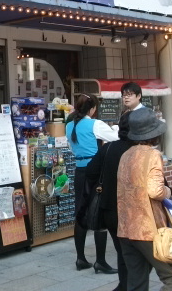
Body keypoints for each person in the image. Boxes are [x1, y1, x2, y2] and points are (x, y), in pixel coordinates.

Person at [117, 107, 172, 291]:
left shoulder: (126, 155)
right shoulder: (153, 155)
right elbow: (155, 191)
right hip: (148, 229)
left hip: (125, 228)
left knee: (136, 283)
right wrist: (168, 192)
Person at [85, 83, 141, 291]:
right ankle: (131, 285)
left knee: (121, 249)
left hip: (110, 209)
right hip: (134, 210)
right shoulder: (141, 151)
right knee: (134, 253)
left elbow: (90, 171)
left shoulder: (108, 148)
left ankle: (124, 285)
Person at [66, 93, 118, 274]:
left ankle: (80, 259)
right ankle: (100, 261)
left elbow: (71, 148)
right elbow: (115, 137)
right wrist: (116, 127)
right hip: (96, 171)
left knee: (81, 212)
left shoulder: (69, 125)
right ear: (93, 108)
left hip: (79, 171)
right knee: (99, 212)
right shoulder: (95, 124)